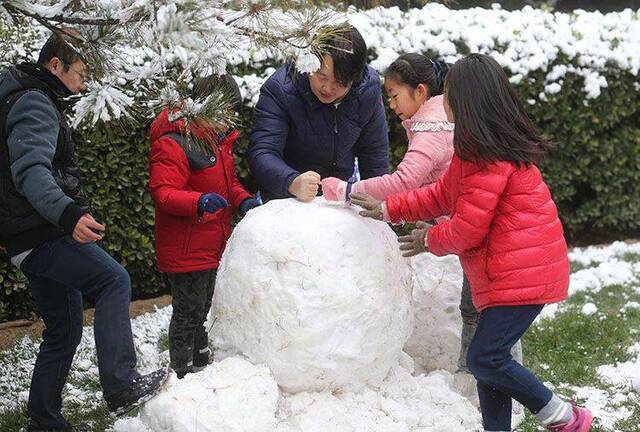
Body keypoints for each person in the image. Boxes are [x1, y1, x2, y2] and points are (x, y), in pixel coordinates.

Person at [351, 53, 593, 432]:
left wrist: (429, 238)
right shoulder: (473, 151)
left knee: (486, 358)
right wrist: (387, 208)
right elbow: (438, 196)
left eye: (448, 95)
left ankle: (563, 416)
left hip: (523, 276)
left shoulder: (488, 157)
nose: (442, 102)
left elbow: (467, 229)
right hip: (507, 274)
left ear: (466, 101)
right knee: (488, 365)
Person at [0, 31, 168, 430]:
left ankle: (44, 419)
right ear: (55, 65)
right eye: (80, 71)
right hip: (41, 233)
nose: (85, 81)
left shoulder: (18, 96)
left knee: (64, 328)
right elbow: (30, 171)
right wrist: (69, 215)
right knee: (113, 280)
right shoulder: (36, 102)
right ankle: (121, 383)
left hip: (22, 238)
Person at [322, 52, 523, 381]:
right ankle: (480, 375)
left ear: (419, 91)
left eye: (394, 94)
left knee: (487, 314)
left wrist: (348, 191)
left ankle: (496, 380)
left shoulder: (433, 130)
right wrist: (393, 210)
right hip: (483, 236)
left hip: (488, 241)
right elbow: (439, 193)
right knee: (481, 311)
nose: (391, 103)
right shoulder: (454, 124)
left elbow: (407, 182)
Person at [148, 74, 260, 379]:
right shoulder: (175, 142)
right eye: (225, 113)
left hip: (211, 245)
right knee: (187, 313)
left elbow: (229, 185)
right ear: (207, 109)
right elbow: (164, 192)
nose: (230, 120)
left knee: (201, 309)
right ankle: (181, 373)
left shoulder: (217, 143)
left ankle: (200, 365)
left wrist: (243, 201)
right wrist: (198, 202)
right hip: (186, 248)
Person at [248, 24, 389, 203]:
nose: (328, 88)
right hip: (286, 200)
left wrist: (377, 202)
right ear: (309, 64)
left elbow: (374, 154)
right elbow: (262, 152)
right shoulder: (281, 89)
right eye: (321, 76)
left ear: (355, 78)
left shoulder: (367, 89)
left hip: (338, 198)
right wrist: (291, 181)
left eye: (340, 82)